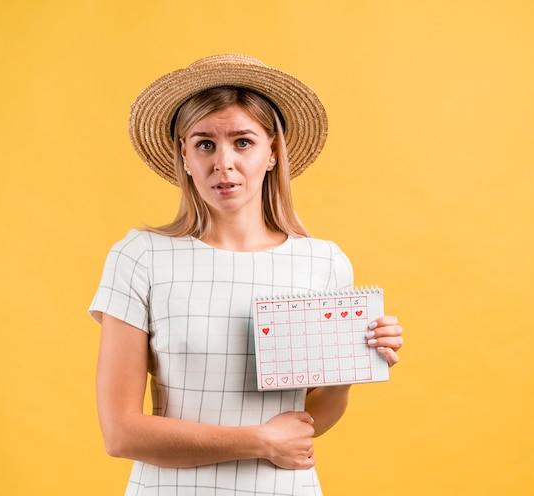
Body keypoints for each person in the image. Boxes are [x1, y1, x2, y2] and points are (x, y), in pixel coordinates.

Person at [89, 54, 403, 495]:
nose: (224, 163)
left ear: (272, 152)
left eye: (242, 142)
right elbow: (121, 433)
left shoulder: (324, 262)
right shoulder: (141, 257)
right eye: (204, 143)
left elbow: (308, 423)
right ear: (183, 154)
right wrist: (258, 441)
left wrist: (354, 360)